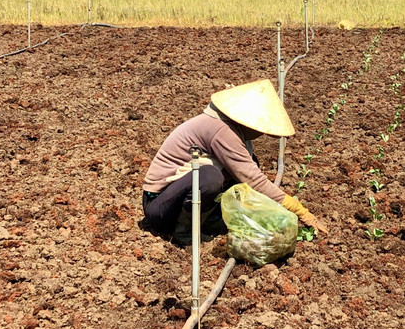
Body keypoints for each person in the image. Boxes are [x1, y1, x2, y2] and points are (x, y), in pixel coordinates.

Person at [139, 79, 328, 245]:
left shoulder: (228, 126)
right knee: (209, 177)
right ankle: (185, 233)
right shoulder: (221, 130)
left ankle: (209, 218)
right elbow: (253, 180)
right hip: (159, 206)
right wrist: (299, 210)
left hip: (177, 196)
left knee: (247, 162)